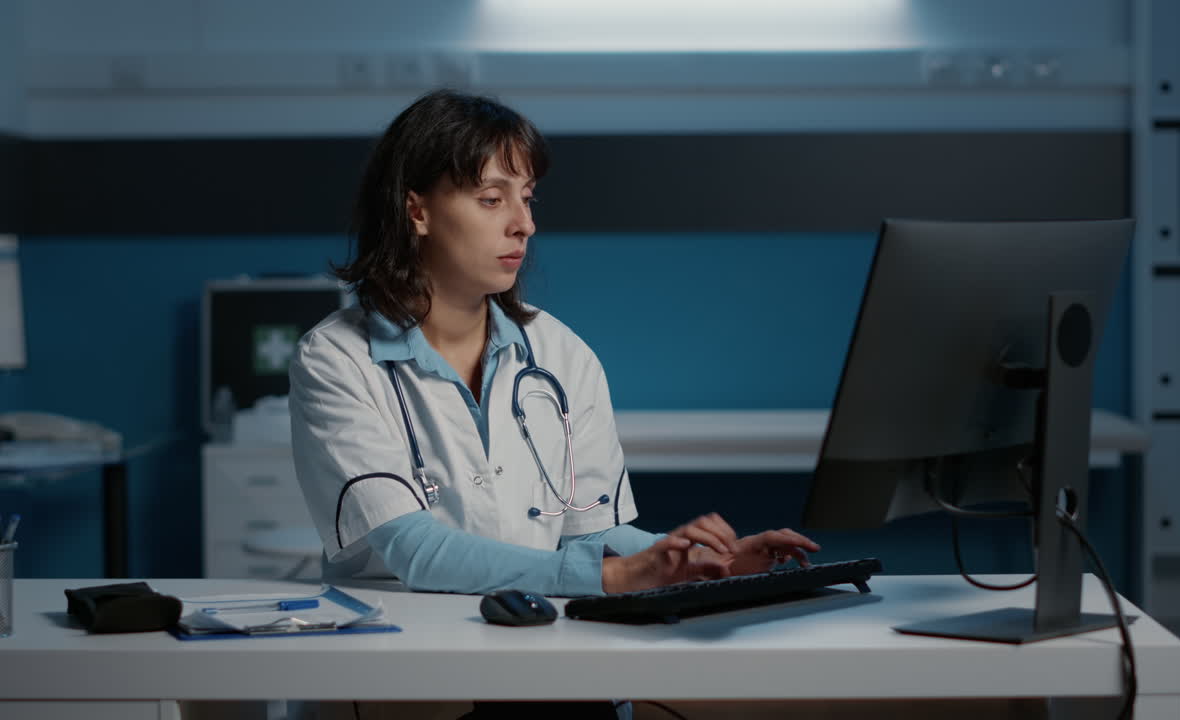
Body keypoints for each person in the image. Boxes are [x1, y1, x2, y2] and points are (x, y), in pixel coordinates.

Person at [290, 88, 820, 602]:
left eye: (526, 198)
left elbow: (585, 535)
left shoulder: (562, 353)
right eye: (492, 199)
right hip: (399, 657)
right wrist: (612, 578)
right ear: (417, 212)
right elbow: (414, 550)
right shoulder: (336, 359)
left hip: (542, 636)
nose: (525, 224)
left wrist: (701, 565)